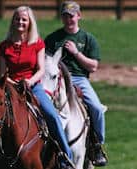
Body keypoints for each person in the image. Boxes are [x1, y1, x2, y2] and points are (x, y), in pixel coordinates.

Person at [0, 6, 74, 169]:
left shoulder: (37, 43)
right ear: (13, 21)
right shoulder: (4, 46)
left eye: (24, 19)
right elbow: (2, 74)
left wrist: (30, 81)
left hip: (34, 86)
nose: (20, 22)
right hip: (11, 88)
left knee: (52, 116)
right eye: (17, 19)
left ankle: (66, 157)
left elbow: (41, 70)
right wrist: (13, 83)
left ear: (30, 22)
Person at [45, 1, 108, 167]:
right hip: (56, 79)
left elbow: (93, 66)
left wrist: (76, 53)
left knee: (96, 107)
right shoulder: (52, 39)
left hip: (79, 79)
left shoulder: (87, 39)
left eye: (71, 16)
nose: (68, 19)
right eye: (65, 15)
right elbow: (45, 62)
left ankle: (97, 145)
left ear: (79, 16)